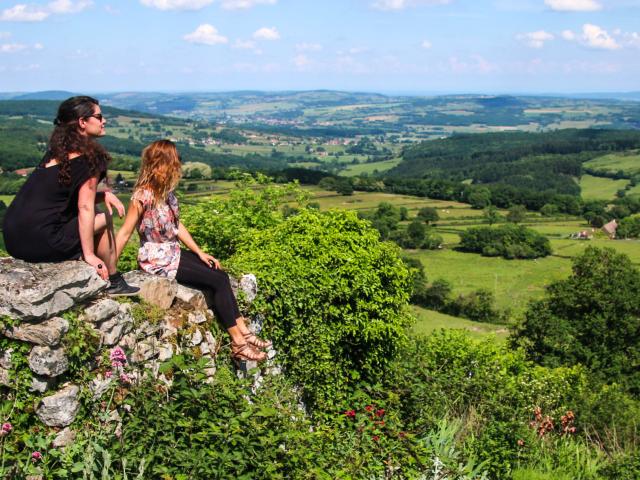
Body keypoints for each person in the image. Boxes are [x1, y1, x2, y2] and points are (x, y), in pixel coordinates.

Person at [115, 139, 270, 362]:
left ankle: (244, 331)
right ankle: (238, 343)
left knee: (220, 274)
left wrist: (198, 251)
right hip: (157, 259)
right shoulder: (143, 196)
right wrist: (110, 271)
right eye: (174, 160)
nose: (178, 165)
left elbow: (177, 226)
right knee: (216, 281)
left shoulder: (166, 194)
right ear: (162, 163)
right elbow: (124, 232)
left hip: (173, 252)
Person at [2, 96, 138, 296]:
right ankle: (115, 280)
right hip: (44, 241)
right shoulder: (90, 159)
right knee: (103, 217)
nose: (104, 121)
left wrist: (102, 195)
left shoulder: (56, 153)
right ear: (83, 122)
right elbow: (84, 207)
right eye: (99, 116)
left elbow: (63, 196)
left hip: (14, 241)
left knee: (97, 207)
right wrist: (90, 254)